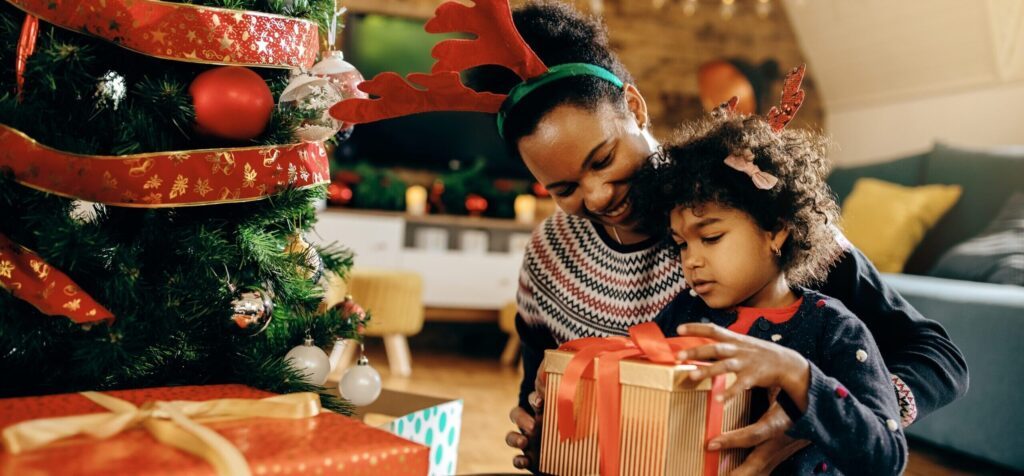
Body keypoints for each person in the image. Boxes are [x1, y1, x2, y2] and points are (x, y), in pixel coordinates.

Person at [499, 1, 967, 473]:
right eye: (563, 188)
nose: (597, 197)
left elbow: (938, 359)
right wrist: (546, 435)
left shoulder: (749, 208)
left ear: (635, 108)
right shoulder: (548, 255)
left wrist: (814, 420)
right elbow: (538, 389)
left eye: (602, 160)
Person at [627, 103, 906, 474]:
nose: (690, 260)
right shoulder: (684, 314)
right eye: (681, 244)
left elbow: (887, 456)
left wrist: (797, 373)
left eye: (710, 237)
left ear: (776, 230)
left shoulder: (835, 329)